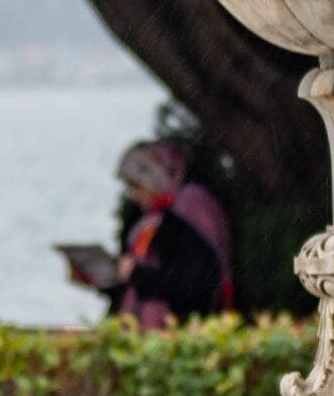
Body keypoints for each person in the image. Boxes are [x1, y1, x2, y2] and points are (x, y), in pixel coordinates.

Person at [61, 139, 235, 327]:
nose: (133, 195)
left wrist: (136, 273)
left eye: (137, 186)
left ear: (157, 178)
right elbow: (135, 287)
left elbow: (193, 282)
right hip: (139, 325)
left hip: (176, 330)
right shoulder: (148, 221)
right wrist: (99, 279)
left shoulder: (189, 208)